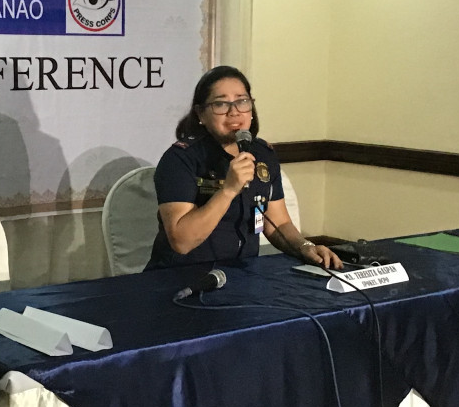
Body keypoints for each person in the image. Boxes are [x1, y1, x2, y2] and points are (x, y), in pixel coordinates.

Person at [145, 65, 343, 271]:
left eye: (242, 101)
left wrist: (305, 246)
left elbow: (278, 223)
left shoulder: (263, 154)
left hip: (242, 275)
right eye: (220, 104)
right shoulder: (180, 159)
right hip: (180, 276)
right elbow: (181, 242)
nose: (234, 112)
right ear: (201, 114)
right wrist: (228, 190)